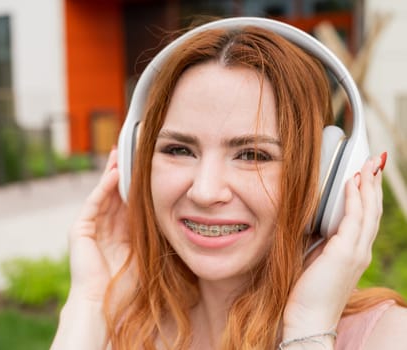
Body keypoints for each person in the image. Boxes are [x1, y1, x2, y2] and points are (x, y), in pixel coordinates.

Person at [51, 18, 407, 350]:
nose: (205, 192)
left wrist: (309, 329)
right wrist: (91, 303)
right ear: (136, 164)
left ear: (322, 180)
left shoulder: (387, 337)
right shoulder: (120, 330)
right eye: (179, 149)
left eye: (252, 155)